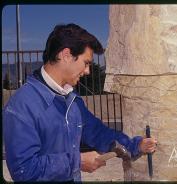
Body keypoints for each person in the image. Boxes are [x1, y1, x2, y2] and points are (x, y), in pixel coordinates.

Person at [3, 23, 157, 182]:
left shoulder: (71, 99)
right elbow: (24, 170)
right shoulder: (21, 106)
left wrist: (135, 145)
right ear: (66, 55)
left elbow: (98, 133)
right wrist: (77, 162)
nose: (88, 71)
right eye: (86, 62)